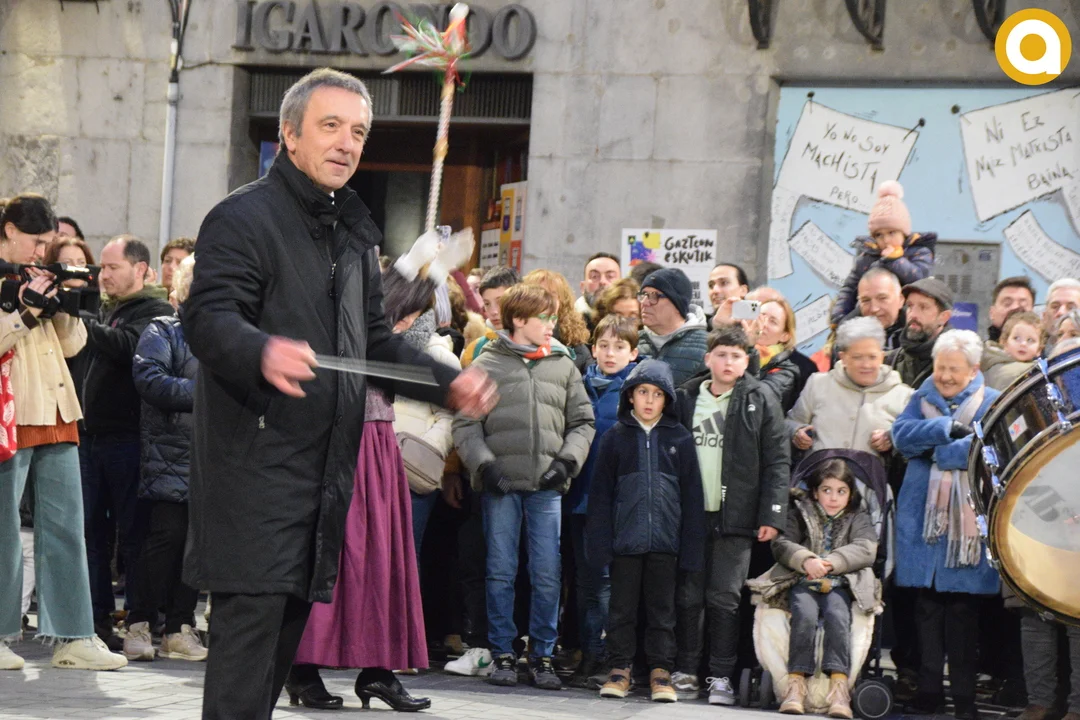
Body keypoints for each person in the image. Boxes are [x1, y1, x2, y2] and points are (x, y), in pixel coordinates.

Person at [182, 68, 494, 720]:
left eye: (358, 131)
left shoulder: (353, 231)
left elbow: (374, 345)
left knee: (272, 664)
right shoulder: (243, 217)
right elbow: (208, 318)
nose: (346, 143)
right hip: (255, 472)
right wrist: (260, 350)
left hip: (326, 476)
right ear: (289, 135)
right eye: (330, 126)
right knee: (244, 669)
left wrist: (449, 384)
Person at [289, 243, 470, 712]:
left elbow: (389, 317)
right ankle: (302, 667)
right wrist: (420, 268)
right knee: (337, 559)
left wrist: (429, 271)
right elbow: (385, 309)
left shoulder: (382, 321)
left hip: (378, 444)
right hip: (345, 445)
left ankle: (378, 671)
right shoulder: (333, 307)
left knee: (381, 563)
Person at [0, 194, 125, 671]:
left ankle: (73, 636)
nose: (41, 252)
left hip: (57, 410)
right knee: (4, 533)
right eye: (36, 242)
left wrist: (63, 304)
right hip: (11, 415)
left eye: (47, 244)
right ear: (10, 230)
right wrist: (24, 311)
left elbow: (74, 345)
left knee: (68, 529)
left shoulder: (38, 274)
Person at [452, 284, 595, 691]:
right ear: (518, 320)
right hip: (500, 487)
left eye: (553, 317)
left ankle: (543, 655)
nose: (552, 324)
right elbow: (465, 424)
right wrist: (485, 466)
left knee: (547, 573)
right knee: (500, 571)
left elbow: (582, 422)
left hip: (547, 487)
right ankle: (502, 652)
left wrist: (566, 462)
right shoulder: (486, 363)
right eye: (544, 318)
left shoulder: (562, 364)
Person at [672, 326, 790, 704]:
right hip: (691, 515)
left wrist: (772, 514)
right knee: (688, 596)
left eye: (736, 356)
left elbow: (777, 460)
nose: (728, 362)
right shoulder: (686, 396)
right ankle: (686, 670)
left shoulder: (760, 398)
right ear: (708, 358)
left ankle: (720, 676)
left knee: (724, 598)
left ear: (747, 361)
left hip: (736, 517)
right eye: (721, 354)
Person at [891, 329, 1000, 720]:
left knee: (963, 615)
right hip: (924, 520)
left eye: (955, 369)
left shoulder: (992, 401)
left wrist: (940, 452)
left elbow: (989, 450)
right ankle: (929, 693)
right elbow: (901, 438)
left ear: (974, 369)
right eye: (941, 368)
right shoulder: (920, 397)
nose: (946, 376)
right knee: (926, 610)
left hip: (966, 525)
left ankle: (965, 700)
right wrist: (943, 430)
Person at [589, 359, 706, 704]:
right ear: (630, 395)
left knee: (662, 612)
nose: (650, 400)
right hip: (625, 542)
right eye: (643, 392)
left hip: (666, 544)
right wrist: (600, 544)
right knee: (621, 610)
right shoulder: (614, 438)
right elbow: (600, 496)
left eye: (657, 394)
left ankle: (660, 670)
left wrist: (691, 548)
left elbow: (693, 497)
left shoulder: (680, 438)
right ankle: (620, 668)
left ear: (667, 399)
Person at [80, 235, 175, 644]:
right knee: (90, 534)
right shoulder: (109, 309)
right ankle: (94, 619)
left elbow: (127, 348)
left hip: (128, 440)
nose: (103, 276)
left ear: (140, 269)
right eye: (102, 268)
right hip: (90, 438)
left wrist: (83, 325)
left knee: (134, 535)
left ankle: (140, 619)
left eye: (112, 267)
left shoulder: (156, 313)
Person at [748, 459, 880, 719]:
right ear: (816, 492)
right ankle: (796, 684)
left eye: (841, 491)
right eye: (826, 490)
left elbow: (866, 548)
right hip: (801, 580)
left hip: (840, 583)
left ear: (850, 494)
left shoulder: (858, 516)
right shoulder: (800, 511)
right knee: (804, 613)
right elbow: (782, 543)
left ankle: (839, 688)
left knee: (838, 615)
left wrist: (832, 563)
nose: (833, 498)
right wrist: (807, 560)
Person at [123, 255, 205, 663]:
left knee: (197, 544)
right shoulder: (164, 329)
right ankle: (138, 622)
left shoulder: (231, 336)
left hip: (213, 456)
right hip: (170, 452)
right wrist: (208, 395)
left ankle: (179, 627)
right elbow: (149, 379)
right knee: (166, 538)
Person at [564, 314, 639, 688]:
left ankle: (613, 660)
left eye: (619, 347)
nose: (611, 353)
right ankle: (590, 654)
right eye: (604, 346)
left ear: (633, 352)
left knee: (608, 584)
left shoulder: (635, 392)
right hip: (579, 499)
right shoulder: (578, 384)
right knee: (585, 583)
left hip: (615, 505)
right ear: (593, 349)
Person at [790, 318, 911, 458]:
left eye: (872, 357)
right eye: (857, 357)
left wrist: (891, 438)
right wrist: (797, 432)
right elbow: (791, 422)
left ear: (882, 357)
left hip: (870, 472)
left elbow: (913, 442)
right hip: (817, 471)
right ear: (843, 358)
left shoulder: (903, 396)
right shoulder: (818, 384)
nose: (866, 365)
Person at [832, 181, 936, 326]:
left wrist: (895, 260)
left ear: (904, 233)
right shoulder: (868, 256)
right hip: (872, 320)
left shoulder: (919, 252)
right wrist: (839, 315)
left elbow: (919, 279)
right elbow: (850, 288)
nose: (886, 240)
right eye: (879, 235)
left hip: (908, 320)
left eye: (891, 233)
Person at [637, 268, 709, 386]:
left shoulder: (706, 346)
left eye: (654, 296)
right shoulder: (631, 342)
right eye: (643, 295)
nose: (644, 302)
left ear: (677, 304)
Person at [523, 268, 594, 375]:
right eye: (537, 293)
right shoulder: (509, 341)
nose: (545, 301)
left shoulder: (577, 350)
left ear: (562, 302)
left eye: (551, 296)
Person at [888, 278, 953, 390]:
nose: (913, 314)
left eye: (923, 307)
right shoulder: (891, 361)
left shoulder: (958, 362)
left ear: (944, 317)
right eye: (910, 306)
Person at [748, 297, 802, 412]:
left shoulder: (786, 372)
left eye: (773, 321)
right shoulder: (734, 348)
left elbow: (756, 402)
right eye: (761, 316)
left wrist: (750, 348)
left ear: (784, 336)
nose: (763, 324)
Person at [461, 265, 519, 367]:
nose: (493, 311)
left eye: (500, 302)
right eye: (487, 304)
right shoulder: (475, 349)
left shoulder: (535, 344)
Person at [981, 311, 1043, 390]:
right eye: (1016, 338)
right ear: (1004, 342)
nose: (1023, 344)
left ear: (1039, 349)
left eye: (1030, 340)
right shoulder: (1002, 369)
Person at [575, 252, 621, 327]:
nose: (602, 281)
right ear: (583, 287)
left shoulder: (635, 322)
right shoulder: (567, 325)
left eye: (610, 276)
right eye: (594, 276)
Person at [986, 277, 1035, 343]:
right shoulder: (979, 349)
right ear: (992, 313)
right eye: (1007, 303)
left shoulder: (1044, 349)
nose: (1015, 307)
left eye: (1022, 304)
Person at [707, 263, 749, 330]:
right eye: (711, 285)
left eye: (724, 283)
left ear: (743, 290)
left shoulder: (760, 325)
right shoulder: (699, 326)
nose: (715, 290)